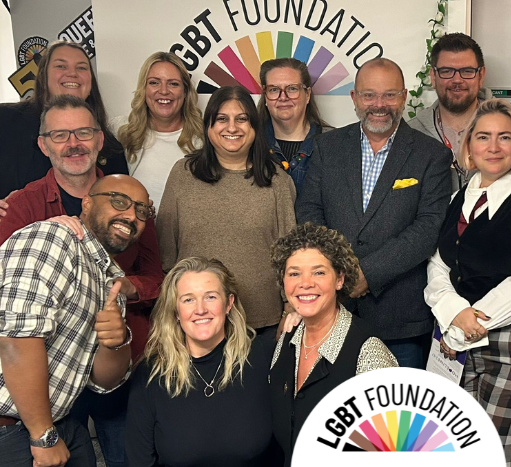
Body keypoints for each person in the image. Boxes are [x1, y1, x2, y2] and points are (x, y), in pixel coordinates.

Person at [0, 95, 163, 467]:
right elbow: (15, 335)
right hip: (21, 422)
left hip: (69, 405)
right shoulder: (36, 220)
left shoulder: (110, 275)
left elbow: (103, 379)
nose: (73, 142)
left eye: (84, 132)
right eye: (60, 134)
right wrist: (42, 434)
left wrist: (117, 336)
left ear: (100, 139)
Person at [425, 99, 511, 467]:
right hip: (461, 338)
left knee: (502, 456)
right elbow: (439, 264)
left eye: (505, 137)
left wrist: (464, 327)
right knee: (458, 451)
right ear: (468, 145)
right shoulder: (461, 197)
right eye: (483, 137)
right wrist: (453, 312)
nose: (493, 147)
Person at [296, 58, 451, 369]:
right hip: (331, 308)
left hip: (399, 319)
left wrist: (368, 274)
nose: (379, 105)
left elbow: (428, 228)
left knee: (395, 402)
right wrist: (338, 272)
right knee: (334, 400)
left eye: (389, 95)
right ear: (354, 98)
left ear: (404, 97)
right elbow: (310, 211)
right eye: (369, 95)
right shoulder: (327, 146)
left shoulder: (431, 155)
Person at [158, 85, 296, 337]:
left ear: (254, 127)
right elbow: (166, 250)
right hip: (195, 322)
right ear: (208, 126)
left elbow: (290, 255)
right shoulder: (183, 174)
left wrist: (289, 310)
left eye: (241, 119)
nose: (232, 128)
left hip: (262, 322)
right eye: (222, 119)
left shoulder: (277, 180)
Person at [126, 257, 274, 467]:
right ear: (176, 311)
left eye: (210, 297)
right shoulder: (151, 373)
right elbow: (139, 461)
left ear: (228, 303)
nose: (201, 309)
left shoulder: (262, 356)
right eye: (188, 300)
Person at [269, 223, 398, 465]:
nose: (305, 283)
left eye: (318, 272)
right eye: (294, 274)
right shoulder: (288, 336)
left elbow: (387, 451)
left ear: (339, 279)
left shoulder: (369, 353)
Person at [408, 33, 511, 193]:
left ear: (481, 75)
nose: (457, 80)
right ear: (433, 77)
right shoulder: (412, 133)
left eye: (467, 71)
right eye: (446, 71)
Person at [0, 41, 127, 201]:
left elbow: (123, 199)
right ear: (43, 76)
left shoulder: (111, 148)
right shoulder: (5, 121)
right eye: (61, 66)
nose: (72, 73)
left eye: (81, 67)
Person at [113, 51, 204, 209]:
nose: (164, 91)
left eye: (173, 84)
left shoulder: (205, 138)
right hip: (135, 225)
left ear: (185, 91)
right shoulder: (120, 131)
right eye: (154, 82)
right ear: (144, 89)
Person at [257, 58, 328, 194]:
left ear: (307, 94)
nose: (283, 97)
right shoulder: (251, 143)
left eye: (292, 89)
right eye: (274, 89)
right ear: (265, 96)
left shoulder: (333, 142)